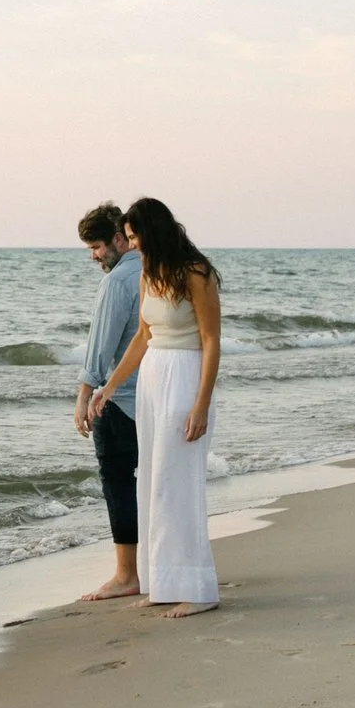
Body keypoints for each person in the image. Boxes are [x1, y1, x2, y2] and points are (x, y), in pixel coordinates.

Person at [86, 196, 221, 616]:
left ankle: (199, 591)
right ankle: (165, 582)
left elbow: (211, 341)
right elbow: (143, 338)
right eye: (126, 238)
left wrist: (200, 404)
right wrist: (107, 387)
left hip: (186, 377)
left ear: (153, 231)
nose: (131, 244)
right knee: (152, 483)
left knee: (177, 484)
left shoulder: (197, 273)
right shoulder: (148, 273)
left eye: (134, 236)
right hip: (152, 380)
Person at [71, 202, 145, 601]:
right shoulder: (155, 271)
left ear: (118, 238)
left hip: (119, 401)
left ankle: (125, 575)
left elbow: (101, 347)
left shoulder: (117, 282)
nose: (94, 256)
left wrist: (85, 396)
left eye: (96, 246)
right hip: (153, 397)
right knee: (149, 485)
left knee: (117, 485)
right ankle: (149, 567)